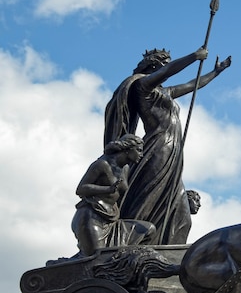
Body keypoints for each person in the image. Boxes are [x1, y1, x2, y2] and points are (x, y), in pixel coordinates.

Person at [104, 48, 231, 244]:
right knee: (149, 196)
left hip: (173, 151)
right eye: (164, 64)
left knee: (180, 210)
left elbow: (192, 84)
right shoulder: (142, 87)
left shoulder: (164, 92)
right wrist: (193, 57)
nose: (166, 68)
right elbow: (168, 71)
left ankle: (168, 247)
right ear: (153, 66)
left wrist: (216, 72)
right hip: (158, 148)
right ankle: (134, 242)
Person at [71, 134, 156, 257]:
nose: (141, 155)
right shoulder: (102, 164)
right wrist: (108, 189)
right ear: (128, 149)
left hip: (112, 219)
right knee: (96, 258)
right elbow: (81, 190)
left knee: (148, 229)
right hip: (92, 217)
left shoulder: (125, 168)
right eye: (139, 150)